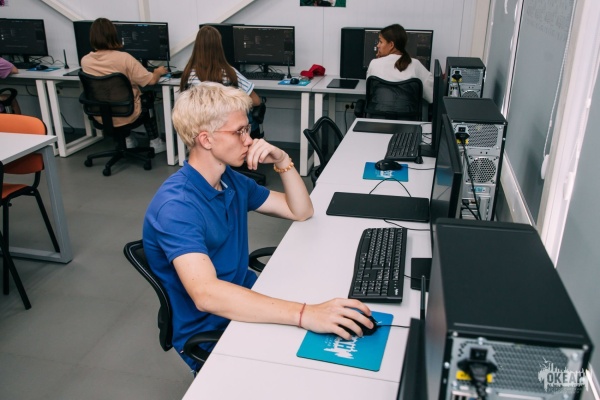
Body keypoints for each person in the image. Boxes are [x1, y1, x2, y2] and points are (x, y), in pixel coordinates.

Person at [143, 82, 373, 372]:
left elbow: (300, 210)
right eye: (239, 132)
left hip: (246, 298)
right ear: (206, 139)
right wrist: (305, 314)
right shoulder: (177, 207)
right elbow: (207, 295)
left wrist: (283, 160)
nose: (249, 140)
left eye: (247, 129)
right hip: (213, 329)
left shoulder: (229, 180)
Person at [81, 18, 167, 153]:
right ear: (113, 35)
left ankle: (127, 140)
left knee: (114, 99)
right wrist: (158, 72)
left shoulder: (85, 61)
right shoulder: (124, 58)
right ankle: (155, 142)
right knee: (148, 97)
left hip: (101, 115)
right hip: (127, 113)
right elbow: (150, 81)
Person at [367, 24, 433, 104]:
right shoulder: (416, 64)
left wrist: (378, 61)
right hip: (407, 112)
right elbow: (432, 96)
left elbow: (370, 91)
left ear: (391, 45)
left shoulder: (374, 63)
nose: (378, 45)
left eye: (380, 42)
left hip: (378, 111)